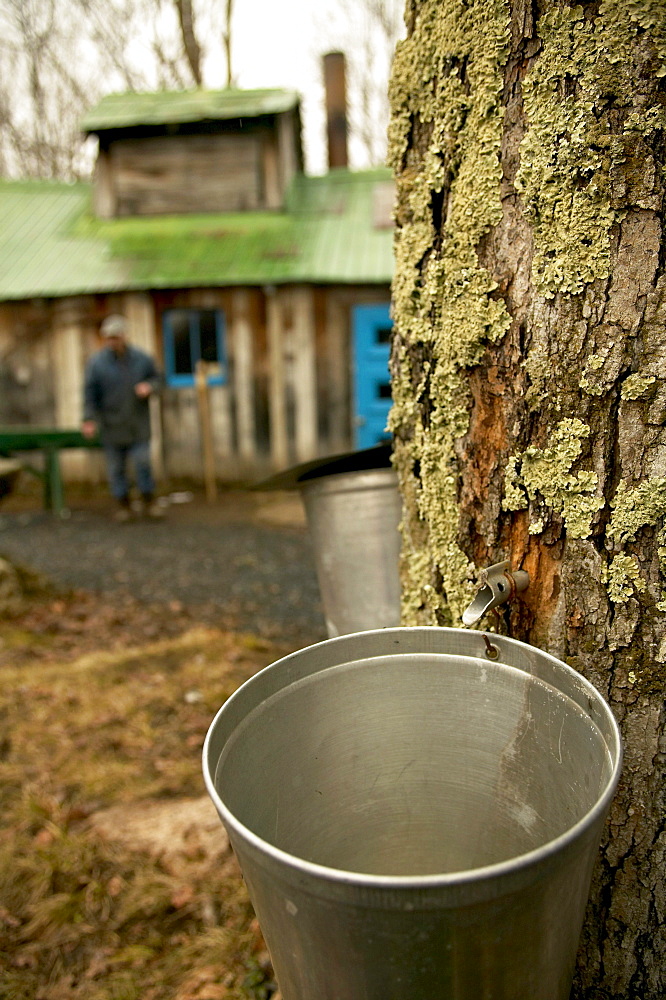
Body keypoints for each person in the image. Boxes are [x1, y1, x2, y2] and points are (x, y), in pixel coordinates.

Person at [82, 314, 163, 521]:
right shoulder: (97, 364)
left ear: (124, 336)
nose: (113, 341)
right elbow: (90, 394)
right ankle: (123, 506)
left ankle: (149, 501)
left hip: (137, 423)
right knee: (116, 469)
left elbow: (159, 380)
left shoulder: (141, 359)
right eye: (109, 337)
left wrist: (150, 387)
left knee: (142, 463)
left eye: (116, 337)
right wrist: (89, 419)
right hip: (111, 424)